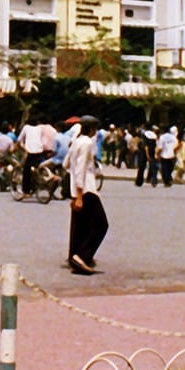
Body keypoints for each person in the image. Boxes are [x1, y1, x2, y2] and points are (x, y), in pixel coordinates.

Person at [64, 117, 107, 274]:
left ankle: (75, 256)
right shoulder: (87, 143)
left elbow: (66, 165)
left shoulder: (76, 141)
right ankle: (82, 255)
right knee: (101, 224)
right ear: (91, 129)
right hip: (87, 189)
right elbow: (81, 168)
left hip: (76, 188)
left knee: (81, 225)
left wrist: (74, 194)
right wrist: (80, 195)